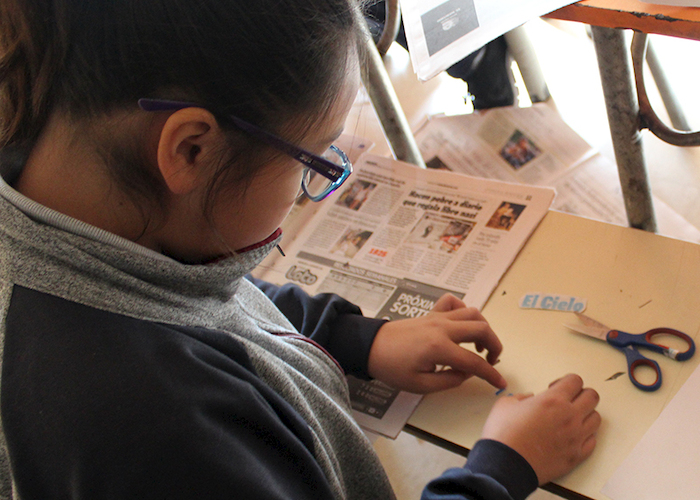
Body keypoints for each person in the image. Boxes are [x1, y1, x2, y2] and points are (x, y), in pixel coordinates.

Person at [0, 1, 600, 499]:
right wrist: (501, 468)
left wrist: (360, 339)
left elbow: (213, 296)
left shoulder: (75, 209)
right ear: (190, 150)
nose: (316, 185)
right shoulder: (163, 432)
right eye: (313, 158)